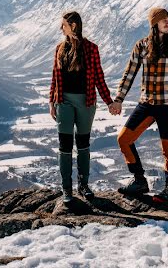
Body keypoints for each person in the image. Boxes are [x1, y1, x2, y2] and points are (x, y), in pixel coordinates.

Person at [111, 7, 168, 201]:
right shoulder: (142, 46)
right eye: (164, 20)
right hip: (146, 104)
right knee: (124, 139)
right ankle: (139, 180)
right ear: (154, 24)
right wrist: (119, 99)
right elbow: (129, 73)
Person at [49, 10, 120, 203]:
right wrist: (51, 101)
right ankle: (66, 190)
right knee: (64, 146)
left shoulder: (91, 49)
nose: (60, 28)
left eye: (63, 24)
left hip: (86, 103)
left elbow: (99, 78)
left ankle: (83, 185)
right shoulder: (59, 49)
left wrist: (109, 102)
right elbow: (55, 77)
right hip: (63, 102)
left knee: (83, 145)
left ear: (73, 26)